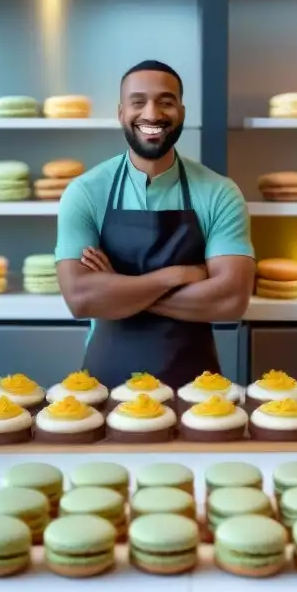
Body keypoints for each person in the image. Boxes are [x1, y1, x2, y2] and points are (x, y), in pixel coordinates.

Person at [56, 60, 255, 387]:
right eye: (138, 102)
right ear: (121, 113)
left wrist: (118, 288)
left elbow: (230, 300)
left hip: (196, 393)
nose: (152, 114)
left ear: (181, 111)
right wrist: (174, 275)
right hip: (104, 389)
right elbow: (81, 299)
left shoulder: (220, 192)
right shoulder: (85, 192)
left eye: (165, 101)